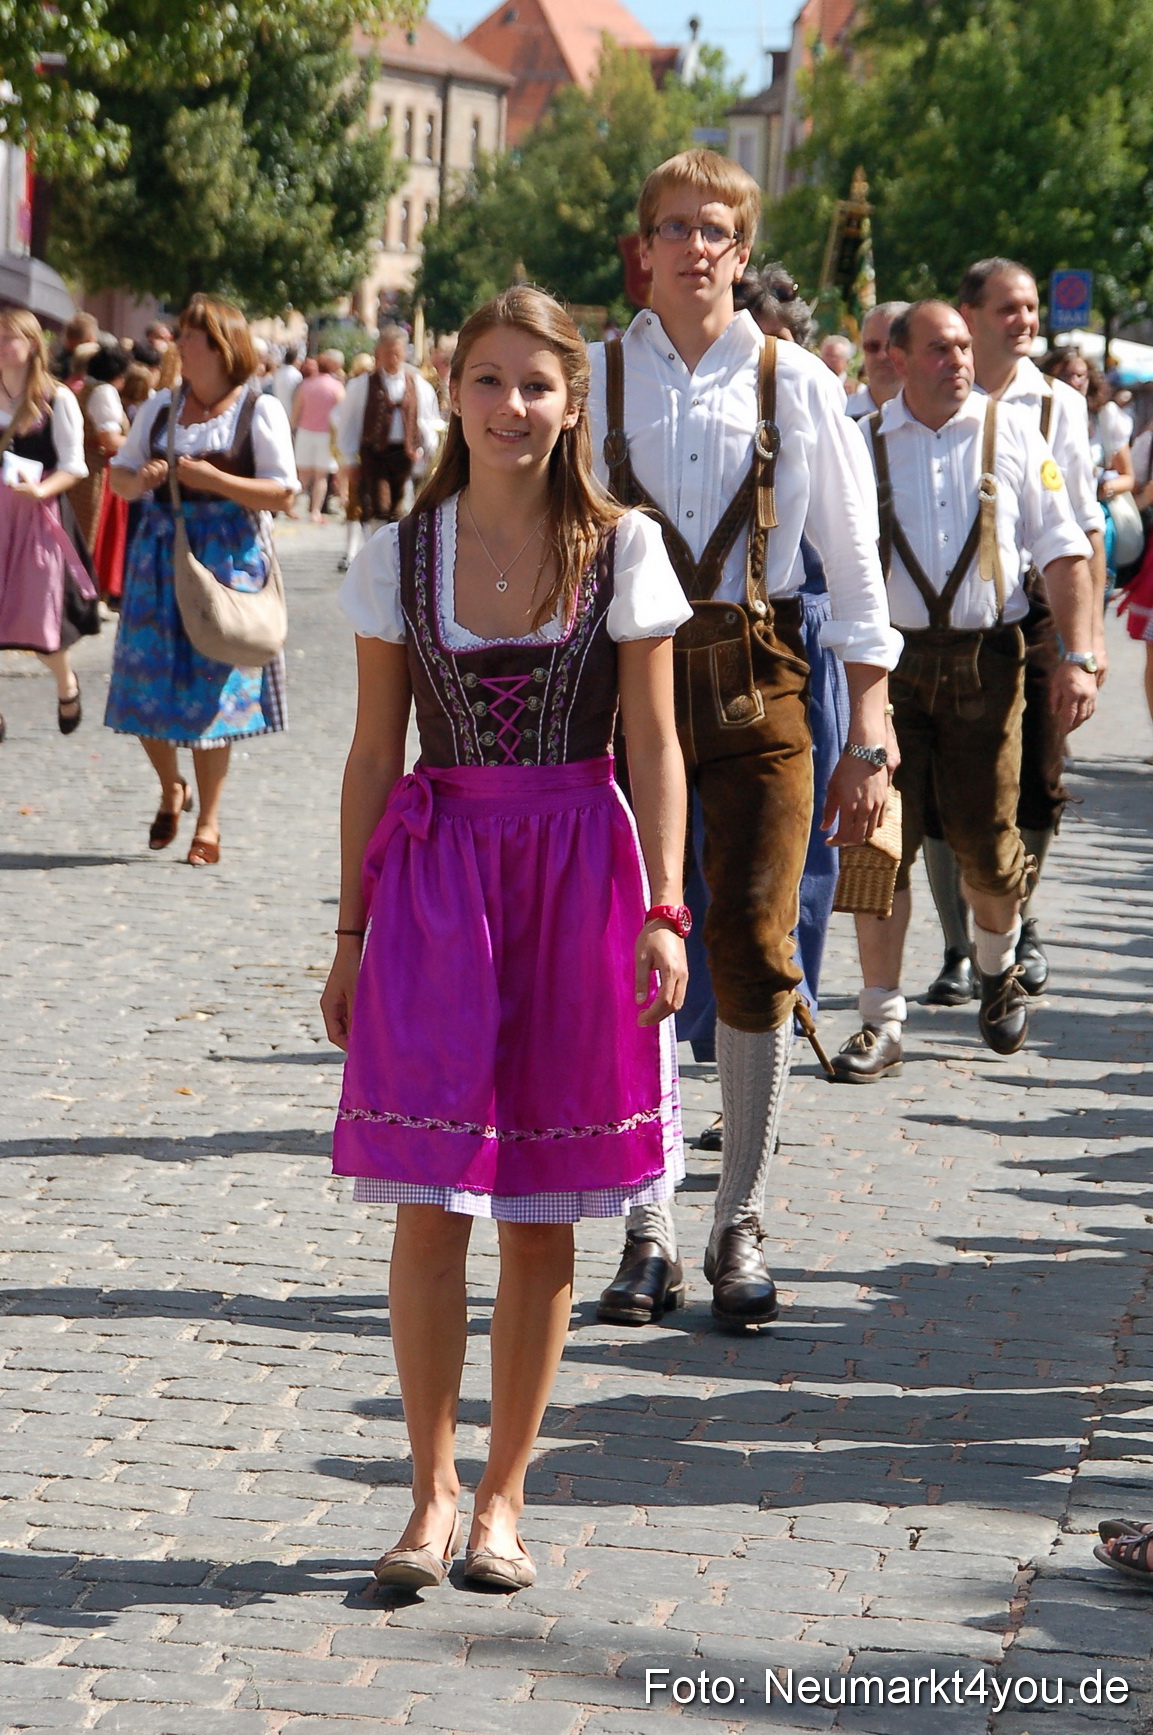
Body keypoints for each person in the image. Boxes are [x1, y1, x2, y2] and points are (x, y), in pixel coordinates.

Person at [321, 285, 691, 1593]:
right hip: (437, 882)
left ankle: (502, 1497)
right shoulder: (397, 552)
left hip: (579, 871)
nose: (511, 406)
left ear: (573, 401)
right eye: (487, 379)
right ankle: (425, 1492)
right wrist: (351, 930)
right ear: (450, 389)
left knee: (540, 1212)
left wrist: (663, 907)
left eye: (537, 384)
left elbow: (652, 742)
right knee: (429, 1199)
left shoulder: (623, 548)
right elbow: (375, 750)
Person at [588, 149, 900, 1330]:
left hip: (763, 682)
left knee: (757, 938)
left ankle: (738, 1221)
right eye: (673, 226)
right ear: (644, 248)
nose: (694, 246)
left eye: (715, 227)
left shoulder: (797, 381)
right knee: (639, 941)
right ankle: (646, 1222)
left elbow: (856, 562)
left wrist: (869, 724)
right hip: (627, 687)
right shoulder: (597, 377)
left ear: (739, 245)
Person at [829, 302, 1097, 1081]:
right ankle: (880, 1020)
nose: (956, 360)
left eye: (960, 347)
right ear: (899, 360)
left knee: (985, 840)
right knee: (879, 845)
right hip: (888, 667)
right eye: (938, 349)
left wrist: (1077, 655)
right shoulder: (861, 442)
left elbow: (1064, 548)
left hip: (987, 663)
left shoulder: (1010, 431)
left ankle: (995, 966)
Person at [910, 263, 1108, 1010]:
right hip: (942, 613)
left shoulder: (1056, 404)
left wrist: (1083, 644)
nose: (1025, 321)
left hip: (1032, 606)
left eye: (1031, 308)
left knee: (1036, 775)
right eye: (1008, 308)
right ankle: (959, 945)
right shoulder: (935, 391)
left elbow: (1083, 525)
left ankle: (1015, 920)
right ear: (969, 314)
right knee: (937, 788)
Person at [105, 294, 298, 865]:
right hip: (159, 557)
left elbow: (284, 493)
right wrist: (139, 479)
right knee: (143, 681)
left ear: (219, 346)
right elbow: (117, 480)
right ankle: (171, 786)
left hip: (228, 557)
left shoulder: (257, 410)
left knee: (215, 689)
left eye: (190, 336)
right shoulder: (161, 407)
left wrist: (215, 479)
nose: (178, 345)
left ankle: (208, 822)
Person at [0, 307, 95, 743]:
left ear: (32, 344)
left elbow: (75, 467)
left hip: (38, 518)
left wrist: (41, 491)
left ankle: (66, 683)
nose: (0, 346)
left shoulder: (57, 399)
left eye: (7, 337)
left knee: (40, 621)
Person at [336, 324, 440, 570]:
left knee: (400, 507)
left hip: (404, 454)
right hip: (375, 453)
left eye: (398, 352)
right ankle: (377, 556)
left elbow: (426, 419)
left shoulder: (418, 385)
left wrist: (426, 449)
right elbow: (348, 423)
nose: (393, 358)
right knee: (377, 505)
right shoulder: (361, 385)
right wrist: (350, 459)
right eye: (388, 353)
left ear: (404, 352)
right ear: (378, 353)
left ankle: (397, 557)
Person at [291, 349, 344, 523]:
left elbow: (296, 410)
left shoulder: (306, 385)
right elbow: (343, 413)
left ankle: (291, 506)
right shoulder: (336, 387)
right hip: (326, 435)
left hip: (306, 432)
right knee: (321, 476)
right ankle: (315, 511)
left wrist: (292, 427)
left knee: (302, 475)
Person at [846, 302, 910, 420]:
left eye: (891, 346)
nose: (882, 355)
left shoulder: (939, 417)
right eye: (872, 346)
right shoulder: (839, 415)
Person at [270, 345, 304, 417]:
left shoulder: (278, 372)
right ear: (295, 359)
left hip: (277, 409)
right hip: (290, 411)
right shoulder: (296, 375)